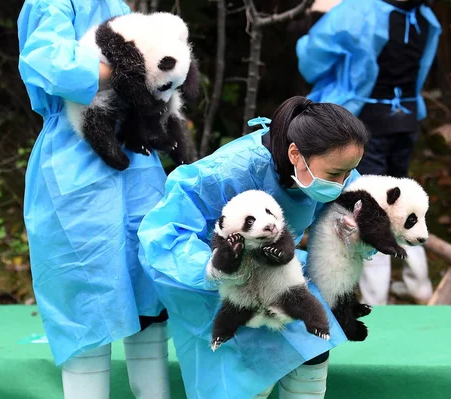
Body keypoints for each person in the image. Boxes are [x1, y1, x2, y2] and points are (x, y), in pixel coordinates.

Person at [138, 96, 370, 399]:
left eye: (348, 172)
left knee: (314, 345)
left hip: (278, 267)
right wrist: (215, 269)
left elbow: (354, 208)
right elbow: (163, 233)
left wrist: (358, 236)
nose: (343, 182)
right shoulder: (229, 172)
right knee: (246, 374)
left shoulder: (334, 164)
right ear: (295, 155)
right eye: (335, 175)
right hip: (210, 281)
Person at [17, 1, 171, 398]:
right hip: (76, 153)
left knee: (149, 284)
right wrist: (129, 75)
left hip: (136, 155)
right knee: (85, 293)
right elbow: (46, 61)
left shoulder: (115, 3)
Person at [296, 0, 441, 305]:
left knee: (369, 205)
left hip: (365, 123)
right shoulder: (426, 17)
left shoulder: (359, 11)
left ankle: (376, 297)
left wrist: (323, 16)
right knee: (403, 199)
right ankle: (419, 284)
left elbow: (311, 61)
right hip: (406, 119)